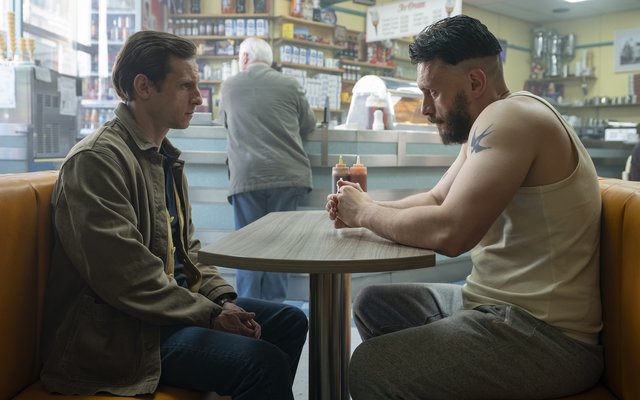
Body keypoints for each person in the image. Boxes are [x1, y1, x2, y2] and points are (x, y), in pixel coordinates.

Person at [326, 15, 603, 399]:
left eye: (432, 92)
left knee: (371, 367)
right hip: (493, 307)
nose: (425, 108)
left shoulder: (512, 118)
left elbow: (451, 231)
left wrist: (365, 214)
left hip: (547, 336)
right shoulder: (494, 120)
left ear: (475, 82)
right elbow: (436, 199)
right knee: (375, 303)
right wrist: (364, 205)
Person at [39, 30, 307, 400]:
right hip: (122, 335)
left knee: (290, 321)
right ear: (144, 87)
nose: (199, 98)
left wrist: (222, 299)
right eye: (185, 86)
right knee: (262, 363)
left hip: (166, 313)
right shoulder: (97, 161)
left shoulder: (163, 157)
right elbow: (127, 279)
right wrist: (210, 314)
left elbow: (188, 253)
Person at [219, 37, 316, 302]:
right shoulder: (290, 84)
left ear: (245, 58)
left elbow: (225, 122)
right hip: (286, 174)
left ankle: (249, 311)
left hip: (247, 176)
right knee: (280, 246)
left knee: (247, 248)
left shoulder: (228, 86)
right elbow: (309, 124)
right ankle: (276, 309)